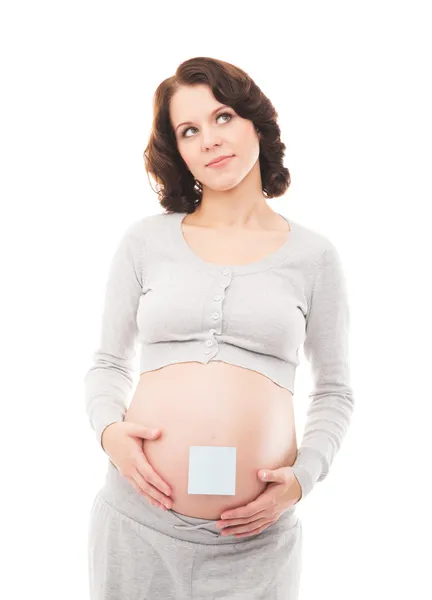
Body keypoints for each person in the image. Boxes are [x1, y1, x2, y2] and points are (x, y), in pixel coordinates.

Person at [84, 56, 355, 600]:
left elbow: (334, 391)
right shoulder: (144, 242)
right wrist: (111, 434)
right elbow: (108, 365)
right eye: (190, 130)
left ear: (256, 122)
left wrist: (302, 479)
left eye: (223, 117)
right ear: (178, 151)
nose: (210, 139)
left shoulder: (315, 256)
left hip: (255, 548)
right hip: (138, 528)